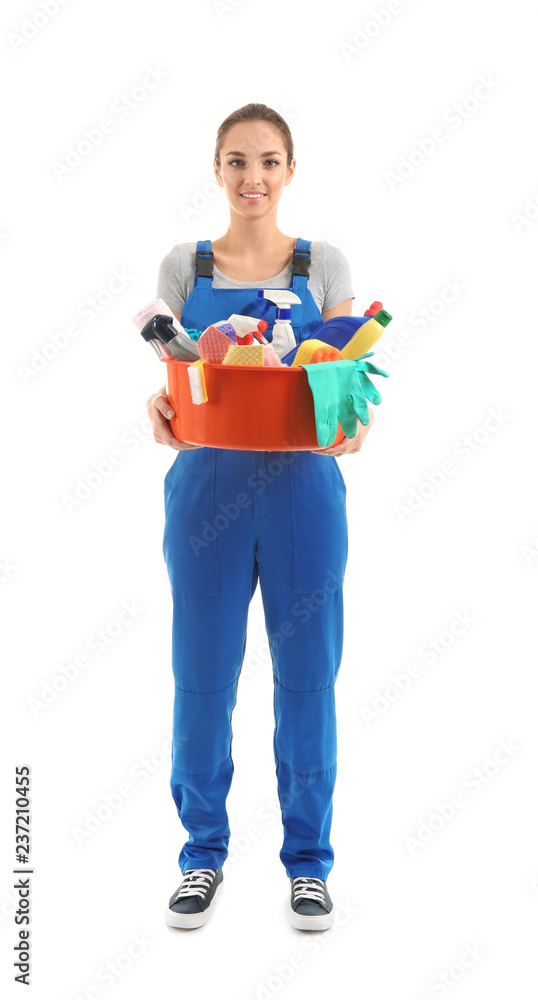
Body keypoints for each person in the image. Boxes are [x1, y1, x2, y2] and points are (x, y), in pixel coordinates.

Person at [146, 103, 374, 932]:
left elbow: (349, 381)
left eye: (269, 161)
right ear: (216, 170)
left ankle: (308, 864)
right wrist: (157, 411)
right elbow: (173, 383)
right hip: (206, 490)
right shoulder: (185, 265)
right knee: (202, 679)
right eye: (238, 161)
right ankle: (201, 854)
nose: (254, 178)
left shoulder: (324, 264)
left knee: (308, 678)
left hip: (304, 492)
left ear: (290, 170)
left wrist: (354, 423)